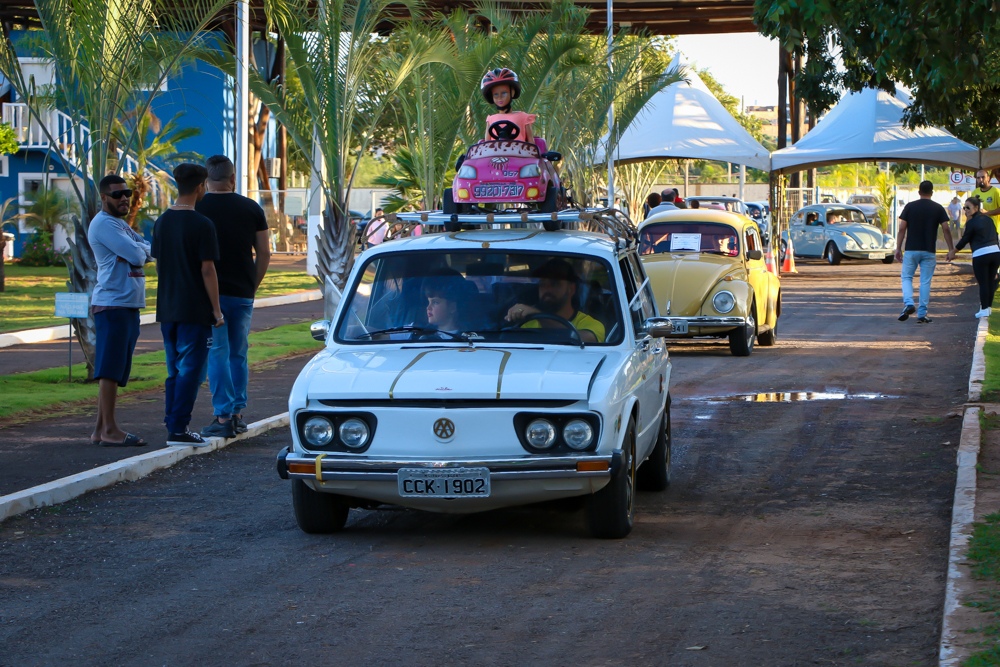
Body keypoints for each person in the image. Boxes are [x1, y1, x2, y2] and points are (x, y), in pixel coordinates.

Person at [195, 155, 271, 438]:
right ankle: (238, 412)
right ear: (232, 178)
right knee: (238, 353)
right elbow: (264, 252)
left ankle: (223, 415)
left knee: (217, 353)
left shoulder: (198, 208)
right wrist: (253, 284)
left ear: (206, 180)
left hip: (208, 294)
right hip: (241, 292)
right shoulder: (251, 208)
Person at [151, 164, 224, 445]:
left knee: (175, 370)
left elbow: (159, 265)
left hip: (167, 308)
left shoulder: (162, 222)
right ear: (200, 186)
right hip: (194, 309)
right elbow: (208, 270)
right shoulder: (203, 225)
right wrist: (216, 311)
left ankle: (173, 423)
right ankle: (179, 428)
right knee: (191, 371)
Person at [86, 175, 151, 447]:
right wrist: (138, 250)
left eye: (127, 193)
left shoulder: (120, 225)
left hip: (127, 304)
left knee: (116, 368)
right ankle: (110, 430)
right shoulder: (103, 224)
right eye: (117, 195)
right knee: (110, 369)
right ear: (103, 198)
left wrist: (138, 249)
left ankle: (100, 429)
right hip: (113, 304)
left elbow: (149, 249)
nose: (124, 198)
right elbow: (139, 256)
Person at [895, 180, 954, 323]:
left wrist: (898, 248)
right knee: (925, 282)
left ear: (919, 192)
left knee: (907, 277)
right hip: (929, 250)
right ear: (932, 193)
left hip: (911, 250)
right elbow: (946, 228)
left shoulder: (910, 207)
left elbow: (902, 228)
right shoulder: (938, 208)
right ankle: (922, 314)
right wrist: (951, 248)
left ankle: (909, 303)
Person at [504, 259, 605, 343]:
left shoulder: (592, 325)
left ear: (571, 288)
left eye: (554, 284)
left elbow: (581, 339)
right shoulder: (528, 325)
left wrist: (537, 314)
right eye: (542, 284)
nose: (547, 289)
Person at [948, 196, 1000, 318]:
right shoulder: (989, 220)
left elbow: (965, 239)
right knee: (990, 280)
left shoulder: (971, 223)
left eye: (968, 208)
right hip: (995, 253)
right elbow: (996, 235)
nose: (965, 210)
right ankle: (988, 308)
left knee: (983, 283)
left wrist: (953, 252)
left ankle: (983, 309)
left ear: (976, 208)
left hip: (981, 254)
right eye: (964, 208)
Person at [481, 68, 535, 144]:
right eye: (496, 94)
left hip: (519, 154)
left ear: (512, 93)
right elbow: (486, 144)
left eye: (504, 93)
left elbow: (531, 141)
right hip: (495, 154)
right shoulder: (491, 119)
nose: (499, 97)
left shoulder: (523, 117)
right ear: (491, 96)